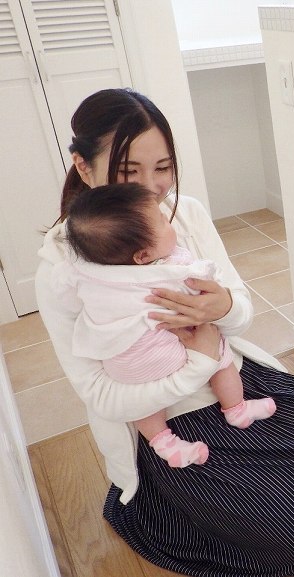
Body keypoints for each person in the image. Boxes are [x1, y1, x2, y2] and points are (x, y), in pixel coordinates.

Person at [35, 88, 294, 576]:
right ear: (84, 167)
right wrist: (195, 364)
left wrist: (224, 306)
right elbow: (101, 395)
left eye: (163, 167)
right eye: (129, 172)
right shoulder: (63, 268)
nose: (152, 189)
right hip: (165, 422)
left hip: (233, 383)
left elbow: (241, 315)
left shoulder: (186, 215)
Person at [57, 182, 277, 468]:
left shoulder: (81, 272)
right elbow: (202, 286)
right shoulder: (171, 270)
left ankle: (164, 443)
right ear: (143, 256)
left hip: (122, 365)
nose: (168, 221)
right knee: (220, 354)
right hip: (169, 355)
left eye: (162, 167)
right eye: (162, 221)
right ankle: (237, 409)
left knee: (141, 403)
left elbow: (66, 297)